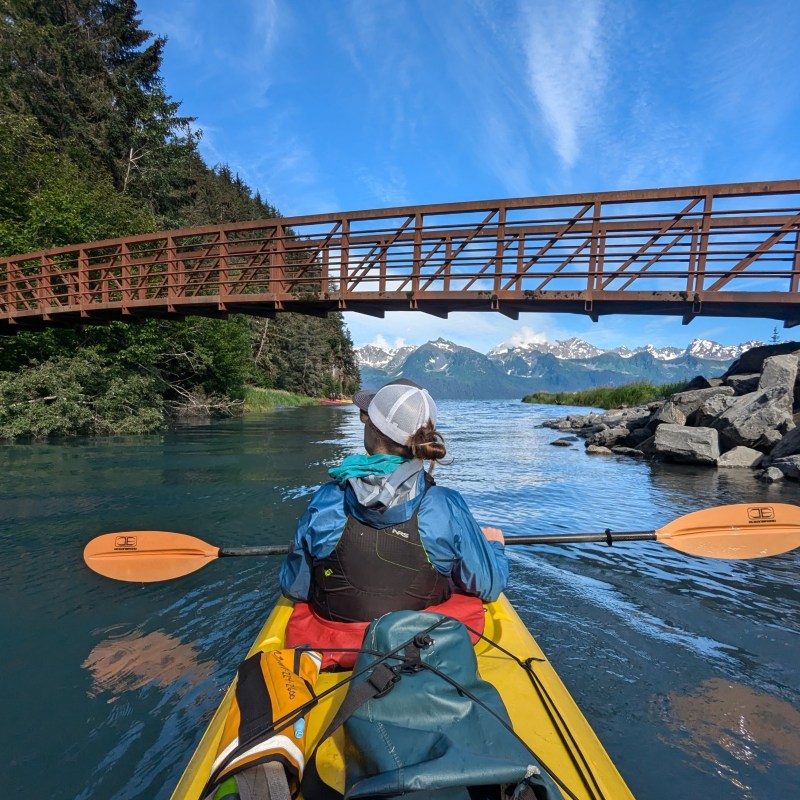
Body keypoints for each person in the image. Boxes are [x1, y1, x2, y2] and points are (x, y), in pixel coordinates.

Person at [279, 381, 508, 645]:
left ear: (374, 430)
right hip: (420, 647)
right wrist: (494, 548)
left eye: (366, 416)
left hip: (337, 647)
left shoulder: (326, 499)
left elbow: (294, 588)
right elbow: (488, 587)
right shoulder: (447, 505)